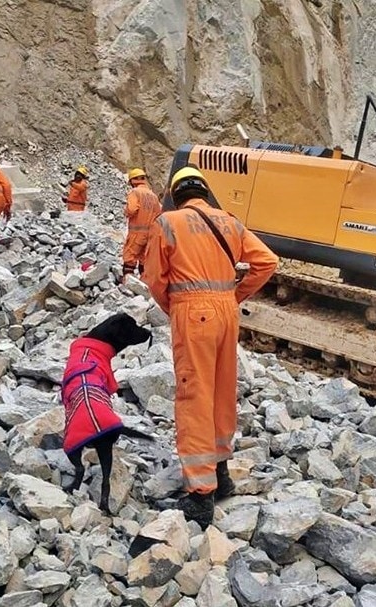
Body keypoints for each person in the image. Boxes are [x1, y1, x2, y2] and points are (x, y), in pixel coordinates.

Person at [142, 166, 279, 528]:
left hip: (194, 312)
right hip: (226, 312)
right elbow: (267, 261)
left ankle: (201, 495)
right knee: (221, 391)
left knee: (195, 396)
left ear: (176, 194)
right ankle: (221, 472)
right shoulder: (230, 222)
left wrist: (177, 309)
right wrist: (235, 295)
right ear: (204, 190)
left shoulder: (168, 222)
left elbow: (156, 279)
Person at [121, 168, 162, 279]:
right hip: (150, 234)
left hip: (136, 233)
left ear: (133, 181)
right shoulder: (153, 196)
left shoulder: (135, 192)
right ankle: (144, 283)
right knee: (145, 259)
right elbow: (159, 215)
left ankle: (128, 281)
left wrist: (126, 212)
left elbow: (132, 209)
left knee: (130, 257)